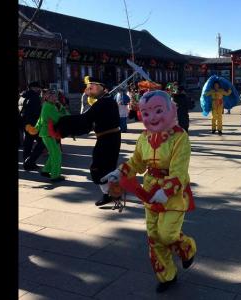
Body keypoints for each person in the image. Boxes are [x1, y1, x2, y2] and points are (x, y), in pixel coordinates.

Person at [102, 90, 196, 293]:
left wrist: (166, 191)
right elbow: (136, 162)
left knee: (167, 234)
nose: (152, 117)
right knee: (154, 236)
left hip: (173, 194)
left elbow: (179, 171)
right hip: (149, 190)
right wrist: (118, 173)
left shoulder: (180, 137)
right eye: (146, 113)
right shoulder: (143, 138)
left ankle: (187, 247)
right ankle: (167, 275)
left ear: (171, 110)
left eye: (158, 110)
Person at [53, 77, 121, 206]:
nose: (89, 90)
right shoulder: (104, 101)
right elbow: (88, 123)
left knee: (98, 168)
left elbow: (85, 119)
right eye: (89, 87)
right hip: (108, 138)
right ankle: (111, 194)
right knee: (104, 168)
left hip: (108, 139)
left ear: (102, 87)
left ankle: (112, 194)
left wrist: (63, 122)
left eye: (92, 87)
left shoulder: (104, 102)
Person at [27, 89, 68, 182]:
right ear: (46, 97)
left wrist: (36, 128)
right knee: (56, 155)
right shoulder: (48, 106)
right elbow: (56, 118)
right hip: (49, 134)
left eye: (55, 96)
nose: (55, 98)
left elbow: (40, 120)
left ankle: (46, 170)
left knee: (55, 153)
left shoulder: (49, 105)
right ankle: (55, 176)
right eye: (52, 96)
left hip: (50, 133)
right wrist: (63, 111)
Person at [19, 81, 45, 171]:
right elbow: (37, 113)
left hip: (25, 124)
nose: (39, 89)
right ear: (34, 88)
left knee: (28, 144)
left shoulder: (22, 96)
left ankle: (27, 163)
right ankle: (30, 162)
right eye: (38, 88)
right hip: (33, 125)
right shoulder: (34, 97)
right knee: (42, 142)